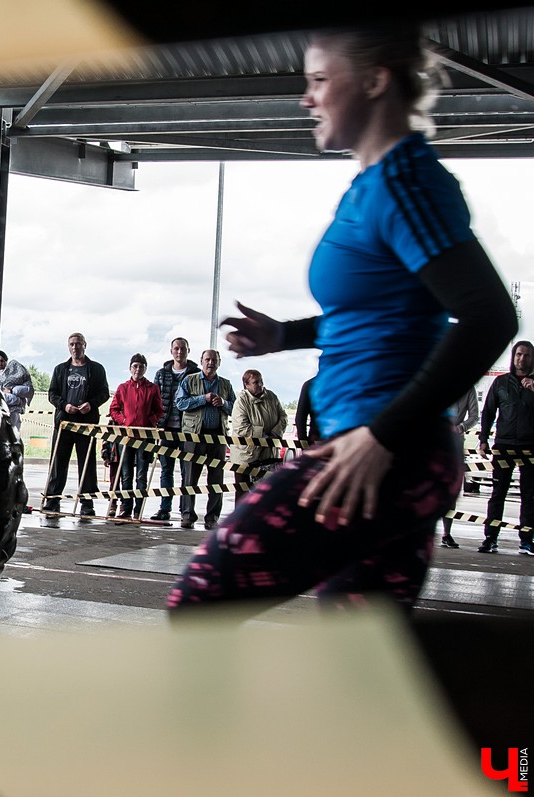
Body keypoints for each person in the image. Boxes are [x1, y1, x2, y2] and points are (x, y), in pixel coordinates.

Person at [167, 25, 516, 618]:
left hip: (381, 453)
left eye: (320, 80)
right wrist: (285, 336)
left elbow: (489, 316)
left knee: (200, 599)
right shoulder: (375, 186)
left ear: (377, 81)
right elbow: (378, 319)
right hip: (390, 452)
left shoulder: (406, 185)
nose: (307, 98)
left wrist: (383, 434)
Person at [43, 332, 109, 518]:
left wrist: (91, 404)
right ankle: (52, 500)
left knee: (86, 464)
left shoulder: (96, 369)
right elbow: (52, 393)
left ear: (85, 345)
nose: (75, 347)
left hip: (87, 424)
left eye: (78, 344)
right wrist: (64, 406)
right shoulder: (60, 369)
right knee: (58, 463)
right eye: (72, 344)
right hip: (64, 424)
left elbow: (104, 393)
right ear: (68, 347)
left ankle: (87, 504)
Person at [477, 341, 534, 555]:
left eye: (527, 355)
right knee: (498, 493)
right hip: (504, 446)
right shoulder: (501, 383)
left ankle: (527, 541)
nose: (522, 359)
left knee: (530, 496)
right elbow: (488, 412)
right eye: (519, 354)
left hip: (530, 448)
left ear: (532, 358)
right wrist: (483, 439)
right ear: (513, 356)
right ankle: (491, 538)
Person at [174, 349, 235, 529]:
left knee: (216, 480)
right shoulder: (189, 380)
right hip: (194, 436)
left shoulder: (225, 384)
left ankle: (212, 518)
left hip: (217, 436)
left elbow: (234, 408)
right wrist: (203, 399)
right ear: (201, 361)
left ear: (219, 362)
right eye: (207, 359)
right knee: (190, 478)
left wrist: (223, 403)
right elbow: (181, 403)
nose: (210, 363)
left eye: (214, 360)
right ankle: (187, 516)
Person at [108, 353, 164, 519]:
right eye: (135, 366)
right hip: (126, 437)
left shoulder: (152, 389)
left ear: (145, 368)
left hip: (145, 437)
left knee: (141, 475)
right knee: (126, 474)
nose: (138, 369)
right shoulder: (123, 388)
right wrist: (123, 421)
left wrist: (150, 422)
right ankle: (126, 508)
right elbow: (114, 409)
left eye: (141, 366)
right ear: (130, 368)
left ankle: (138, 510)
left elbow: (159, 410)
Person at [150, 338, 200, 522]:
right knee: (166, 470)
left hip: (188, 429)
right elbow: (154, 401)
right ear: (171, 351)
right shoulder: (162, 374)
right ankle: (165, 508)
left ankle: (185, 510)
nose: (179, 352)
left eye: (183, 349)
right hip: (166, 429)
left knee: (187, 472)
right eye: (176, 348)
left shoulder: (196, 373)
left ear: (188, 350)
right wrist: (156, 423)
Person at [229, 368, 287, 504]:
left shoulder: (272, 397)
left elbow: (283, 417)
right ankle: (239, 524)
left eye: (261, 381)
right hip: (245, 457)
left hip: (268, 456)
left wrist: (275, 434)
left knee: (266, 494)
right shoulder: (241, 402)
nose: (260, 384)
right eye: (256, 382)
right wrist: (265, 437)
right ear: (246, 385)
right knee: (243, 493)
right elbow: (242, 428)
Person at [440, 386, 479, 548]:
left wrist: (460, 428)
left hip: (454, 442)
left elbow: (475, 416)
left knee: (451, 490)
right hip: (433, 440)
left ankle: (446, 533)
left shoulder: (468, 389)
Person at [0, 350, 34, 430]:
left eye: (2, 361)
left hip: (13, 415)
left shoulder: (15, 375)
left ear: (6, 362)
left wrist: (12, 390)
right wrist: (17, 400)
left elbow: (29, 391)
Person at [295, 376, 320, 444]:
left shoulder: (310, 384)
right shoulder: (346, 384)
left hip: (317, 439)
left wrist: (304, 443)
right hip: (343, 440)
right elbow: (300, 417)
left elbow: (300, 417)